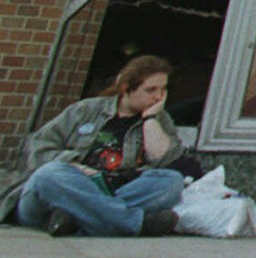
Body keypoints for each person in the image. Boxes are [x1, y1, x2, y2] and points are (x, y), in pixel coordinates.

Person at [0, 55, 184, 237]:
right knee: (48, 174)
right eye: (150, 90)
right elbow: (36, 147)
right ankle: (129, 223)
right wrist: (73, 164)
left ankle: (80, 217)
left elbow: (162, 159)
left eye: (163, 89)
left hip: (111, 188)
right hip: (55, 198)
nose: (159, 97)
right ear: (126, 88)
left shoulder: (160, 120)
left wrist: (150, 118)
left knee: (171, 181)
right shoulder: (85, 110)